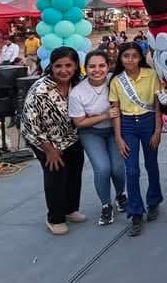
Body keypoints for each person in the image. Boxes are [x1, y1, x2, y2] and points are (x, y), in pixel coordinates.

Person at [20, 47, 86, 235]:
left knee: (74, 173)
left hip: (71, 137)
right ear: (51, 66)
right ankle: (55, 218)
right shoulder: (40, 89)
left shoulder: (78, 83)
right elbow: (31, 124)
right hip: (44, 140)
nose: (63, 70)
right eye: (58, 66)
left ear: (76, 66)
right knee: (56, 177)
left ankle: (70, 209)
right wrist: (49, 150)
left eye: (68, 65)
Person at [110, 41, 164, 236]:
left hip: (148, 121)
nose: (130, 60)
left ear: (140, 57)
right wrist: (118, 137)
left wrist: (158, 130)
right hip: (127, 125)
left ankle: (154, 201)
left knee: (151, 164)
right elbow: (115, 111)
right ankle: (135, 212)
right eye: (126, 56)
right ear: (121, 58)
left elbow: (157, 105)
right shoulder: (116, 81)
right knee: (131, 170)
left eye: (134, 56)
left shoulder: (151, 75)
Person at [69, 50, 126, 226]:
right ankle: (105, 205)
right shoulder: (77, 92)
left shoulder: (115, 81)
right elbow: (79, 122)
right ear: (85, 68)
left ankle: (120, 195)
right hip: (91, 132)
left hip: (114, 130)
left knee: (117, 168)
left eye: (102, 65)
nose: (97, 70)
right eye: (92, 66)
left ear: (108, 67)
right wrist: (105, 115)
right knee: (102, 168)